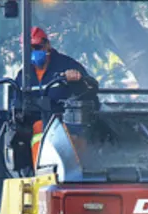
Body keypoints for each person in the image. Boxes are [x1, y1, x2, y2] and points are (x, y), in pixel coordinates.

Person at [12, 26, 100, 167]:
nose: (34, 52)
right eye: (29, 49)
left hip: (68, 124)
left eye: (37, 47)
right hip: (37, 126)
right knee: (36, 131)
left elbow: (89, 95)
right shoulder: (23, 76)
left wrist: (77, 81)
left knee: (68, 134)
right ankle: (41, 170)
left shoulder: (68, 65)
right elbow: (16, 104)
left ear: (47, 45)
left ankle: (74, 170)